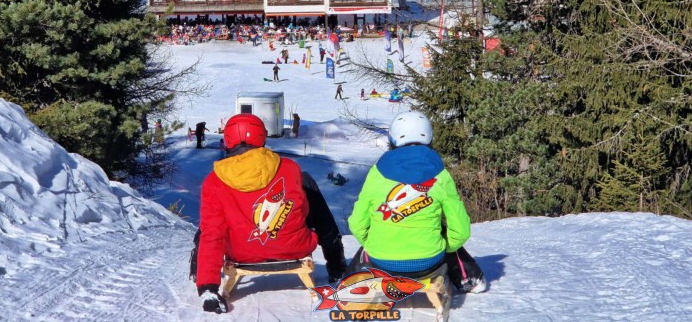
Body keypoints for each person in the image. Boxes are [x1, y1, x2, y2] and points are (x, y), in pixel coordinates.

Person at [195, 114, 347, 314]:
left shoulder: (214, 181)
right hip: (295, 248)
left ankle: (198, 271)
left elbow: (213, 234)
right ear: (262, 137)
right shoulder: (290, 168)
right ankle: (336, 265)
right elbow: (304, 209)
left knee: (208, 226)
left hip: (242, 252)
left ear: (228, 140)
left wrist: (208, 287)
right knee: (308, 187)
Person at [347, 111, 486, 293]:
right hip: (429, 262)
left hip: (381, 262)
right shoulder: (441, 175)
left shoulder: (376, 174)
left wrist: (373, 244)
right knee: (441, 230)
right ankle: (469, 278)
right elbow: (460, 230)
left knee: (375, 231)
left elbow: (357, 224)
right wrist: (445, 247)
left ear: (392, 139)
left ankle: (350, 282)